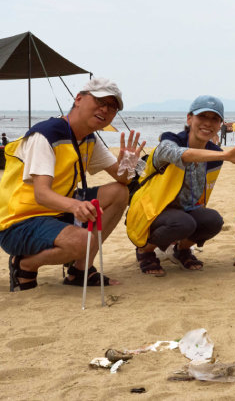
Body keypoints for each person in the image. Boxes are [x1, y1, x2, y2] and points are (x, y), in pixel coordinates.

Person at [1, 78, 142, 291]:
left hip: (56, 213)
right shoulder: (47, 135)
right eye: (100, 101)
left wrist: (128, 165)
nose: (105, 109)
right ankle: (24, 264)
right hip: (19, 222)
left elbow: (122, 180)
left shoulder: (88, 139)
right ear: (78, 99)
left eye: (112, 107)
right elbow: (41, 194)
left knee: (119, 192)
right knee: (83, 241)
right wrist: (75, 206)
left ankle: (80, 270)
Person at [126, 95, 235, 276]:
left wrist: (223, 155)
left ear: (220, 125)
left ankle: (182, 250)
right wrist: (225, 156)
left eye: (214, 119)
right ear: (189, 119)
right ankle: (145, 251)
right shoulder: (169, 141)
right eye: (202, 116)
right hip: (150, 209)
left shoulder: (215, 155)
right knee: (183, 222)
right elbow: (180, 154)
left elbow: (201, 193)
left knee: (213, 220)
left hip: (184, 209)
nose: (208, 123)